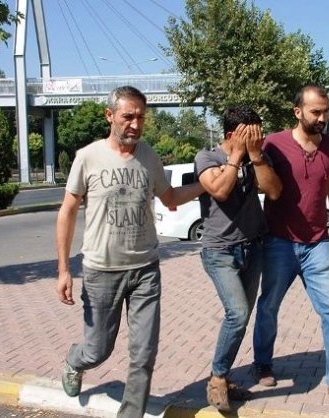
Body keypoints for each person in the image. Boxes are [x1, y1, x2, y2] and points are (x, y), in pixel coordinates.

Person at [55, 85, 204, 418]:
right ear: (110, 116)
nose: (136, 124)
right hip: (101, 272)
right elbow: (67, 211)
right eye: (128, 116)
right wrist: (63, 269)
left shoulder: (149, 156)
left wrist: (204, 186)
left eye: (141, 117)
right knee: (97, 350)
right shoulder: (88, 157)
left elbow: (170, 197)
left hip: (145, 270)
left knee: (144, 354)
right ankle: (75, 361)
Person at [252, 84, 329, 401]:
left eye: (326, 111)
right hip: (279, 242)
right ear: (297, 111)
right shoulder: (274, 144)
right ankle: (262, 363)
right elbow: (261, 185)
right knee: (269, 306)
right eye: (316, 112)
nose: (323, 118)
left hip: (318, 244)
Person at [194, 105, 282, 412]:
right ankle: (217, 378)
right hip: (219, 251)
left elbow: (273, 191)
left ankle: (224, 376)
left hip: (253, 248)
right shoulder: (207, 157)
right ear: (233, 134)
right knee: (238, 313)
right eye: (251, 135)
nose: (259, 139)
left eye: (260, 134)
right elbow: (219, 190)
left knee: (241, 318)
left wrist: (255, 155)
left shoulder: (257, 157)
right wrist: (236, 156)